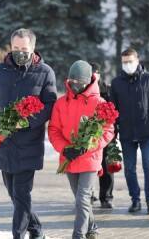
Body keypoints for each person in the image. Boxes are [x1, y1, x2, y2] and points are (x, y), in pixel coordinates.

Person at [0, 28, 57, 238]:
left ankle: (18, 235)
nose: (20, 52)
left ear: (33, 48)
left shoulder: (45, 72)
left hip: (29, 144)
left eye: (24, 49)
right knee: (14, 195)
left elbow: (50, 105)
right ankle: (36, 228)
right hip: (3, 143)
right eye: (15, 48)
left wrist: (28, 121)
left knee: (22, 194)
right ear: (10, 48)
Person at [48, 60, 115, 239]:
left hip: (90, 158)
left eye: (80, 83)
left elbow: (108, 131)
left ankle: (78, 235)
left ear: (89, 81)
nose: (75, 86)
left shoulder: (99, 102)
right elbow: (53, 130)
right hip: (69, 158)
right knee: (80, 200)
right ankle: (91, 227)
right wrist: (65, 148)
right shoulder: (61, 103)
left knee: (83, 198)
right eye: (72, 82)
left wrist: (88, 146)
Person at [110, 48, 149, 214]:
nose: (127, 65)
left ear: (137, 60)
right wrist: (113, 131)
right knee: (130, 169)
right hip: (127, 133)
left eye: (130, 61)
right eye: (124, 62)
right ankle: (135, 200)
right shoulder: (116, 82)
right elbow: (113, 109)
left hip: (148, 131)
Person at [90, 62, 116, 209]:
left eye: (95, 72)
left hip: (106, 134)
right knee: (90, 166)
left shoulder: (107, 90)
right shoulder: (82, 89)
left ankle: (106, 197)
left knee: (106, 166)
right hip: (88, 133)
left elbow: (114, 111)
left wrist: (113, 133)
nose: (93, 76)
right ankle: (89, 194)